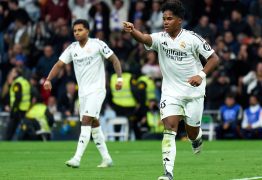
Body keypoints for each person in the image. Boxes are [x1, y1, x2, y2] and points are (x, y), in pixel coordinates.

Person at [123, 1, 220, 179]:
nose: (166, 22)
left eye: (169, 19)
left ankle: (196, 138)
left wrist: (201, 75)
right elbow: (145, 38)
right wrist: (133, 31)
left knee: (191, 132)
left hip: (193, 93)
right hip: (171, 93)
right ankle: (168, 173)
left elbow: (214, 59)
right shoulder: (161, 38)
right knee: (170, 127)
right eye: (164, 19)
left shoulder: (192, 38)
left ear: (179, 20)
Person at [43, 19, 123, 168]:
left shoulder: (98, 44)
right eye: (74, 31)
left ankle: (77, 158)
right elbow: (59, 64)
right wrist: (48, 79)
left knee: (85, 121)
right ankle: (107, 158)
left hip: (97, 90)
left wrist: (119, 78)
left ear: (87, 30)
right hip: (83, 93)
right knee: (94, 123)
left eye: (80, 30)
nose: (77, 33)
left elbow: (114, 59)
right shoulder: (72, 48)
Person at [6, 67, 31, 140]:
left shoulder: (17, 83)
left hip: (18, 109)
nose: (11, 73)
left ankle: (7, 143)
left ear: (16, 73)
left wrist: (13, 109)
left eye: (13, 72)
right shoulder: (25, 82)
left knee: (10, 130)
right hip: (25, 109)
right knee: (23, 128)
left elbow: (18, 97)